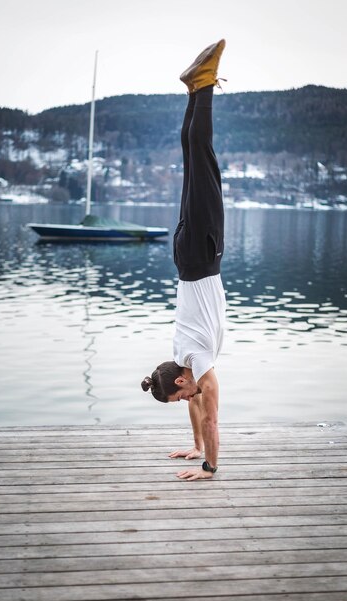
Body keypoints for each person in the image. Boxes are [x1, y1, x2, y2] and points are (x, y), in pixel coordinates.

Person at [141, 39, 226, 481]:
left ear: (180, 381)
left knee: (203, 160)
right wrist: (194, 447)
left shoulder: (198, 365)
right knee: (195, 164)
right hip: (187, 258)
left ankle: (204, 84)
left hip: (201, 252)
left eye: (180, 397)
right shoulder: (182, 360)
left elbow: (208, 413)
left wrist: (210, 467)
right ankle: (195, 88)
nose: (188, 399)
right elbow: (194, 405)